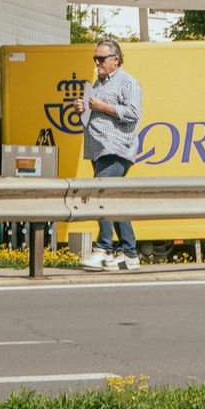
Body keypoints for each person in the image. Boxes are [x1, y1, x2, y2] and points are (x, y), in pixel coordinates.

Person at [79, 38, 143, 271]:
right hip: (99, 150)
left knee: (100, 194)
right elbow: (94, 112)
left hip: (117, 148)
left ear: (116, 60)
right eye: (95, 58)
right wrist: (84, 107)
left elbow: (134, 113)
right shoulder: (99, 83)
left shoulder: (128, 82)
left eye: (101, 58)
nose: (97, 62)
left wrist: (101, 107)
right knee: (111, 199)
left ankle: (103, 249)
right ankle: (129, 254)